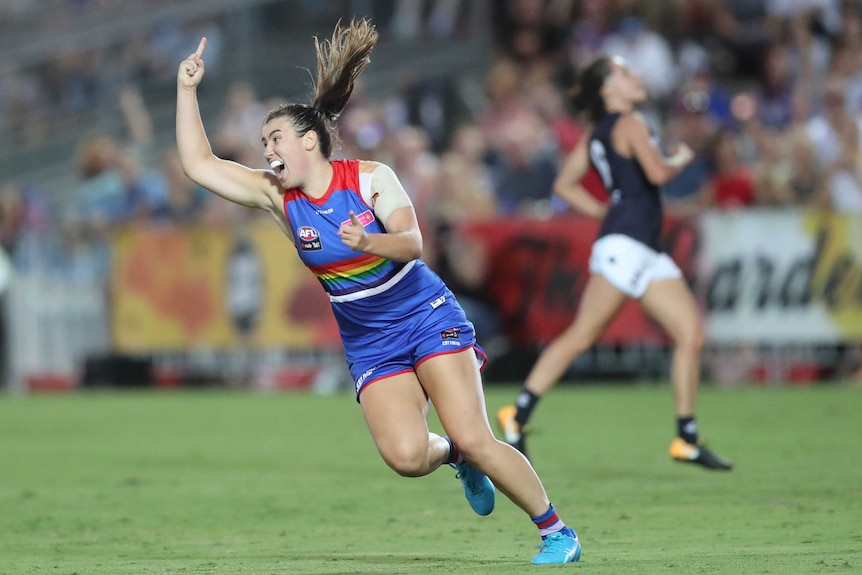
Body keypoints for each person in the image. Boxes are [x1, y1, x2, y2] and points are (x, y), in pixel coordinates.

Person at [175, 20, 580, 565]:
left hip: (425, 315)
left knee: (478, 433)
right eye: (262, 142)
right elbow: (200, 165)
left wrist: (369, 239)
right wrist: (186, 90)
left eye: (274, 138)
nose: (265, 149)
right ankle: (455, 456)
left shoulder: (370, 177)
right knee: (409, 457)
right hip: (369, 340)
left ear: (309, 141)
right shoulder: (278, 197)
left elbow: (413, 244)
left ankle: (557, 532)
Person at [496, 55, 732, 471]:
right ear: (608, 88)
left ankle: (687, 439)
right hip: (629, 245)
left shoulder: (597, 131)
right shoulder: (630, 122)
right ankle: (517, 412)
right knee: (583, 335)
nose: (635, 76)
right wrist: (678, 158)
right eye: (625, 73)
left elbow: (564, 186)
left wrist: (607, 212)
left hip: (639, 246)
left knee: (689, 334)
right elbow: (657, 174)